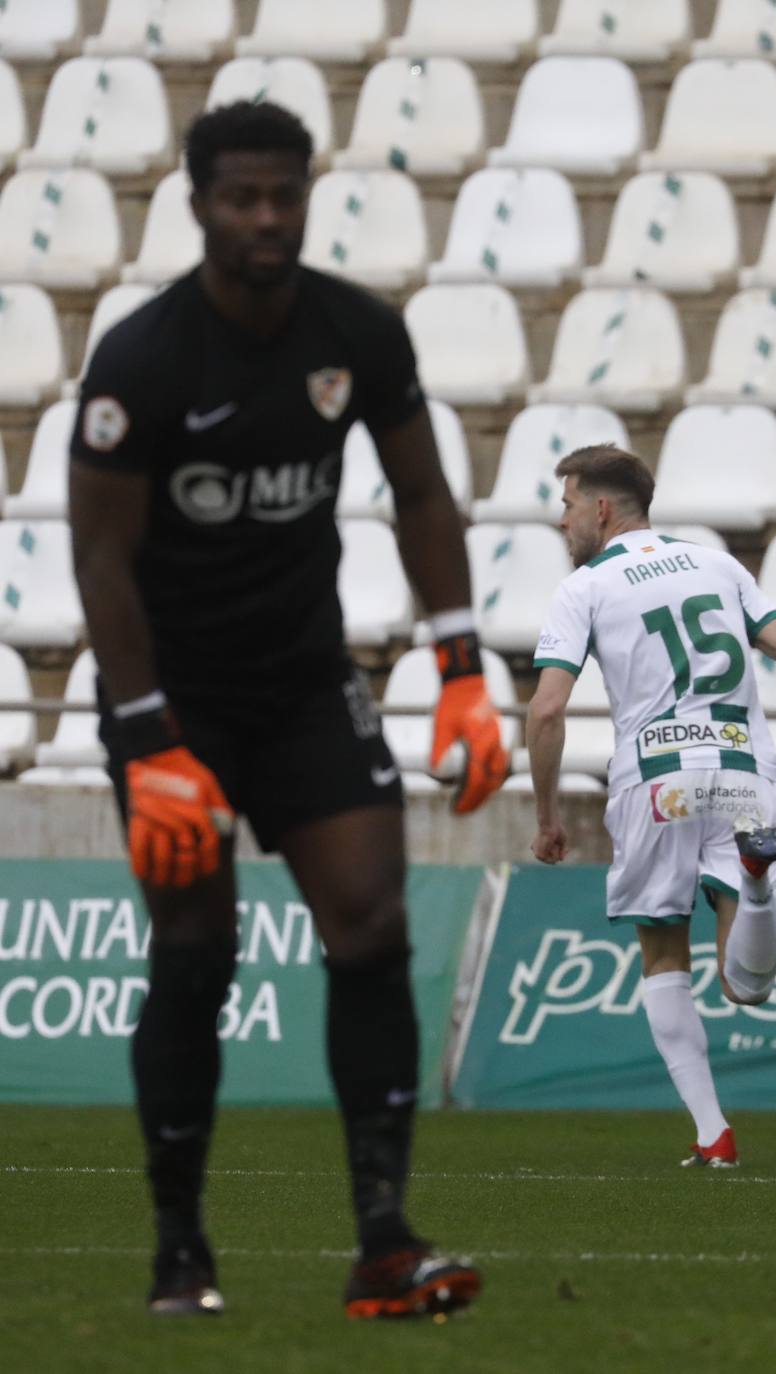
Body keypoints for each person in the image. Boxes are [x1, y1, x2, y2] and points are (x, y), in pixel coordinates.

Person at [68, 100, 507, 1318]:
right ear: (199, 204)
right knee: (196, 953)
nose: (266, 218)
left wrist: (461, 666)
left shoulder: (356, 332)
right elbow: (99, 560)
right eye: (242, 198)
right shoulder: (143, 359)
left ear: (308, 197)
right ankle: (180, 1252)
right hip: (173, 701)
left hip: (307, 682)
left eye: (285, 196)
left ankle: (383, 1244)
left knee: (371, 926)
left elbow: (422, 494)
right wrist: (148, 738)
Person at [526, 444, 776, 1166]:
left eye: (567, 506)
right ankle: (754, 881)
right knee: (747, 987)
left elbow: (546, 710)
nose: (562, 522)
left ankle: (712, 1131)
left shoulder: (585, 587)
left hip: (655, 783)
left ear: (601, 509)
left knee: (663, 955)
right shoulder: (719, 566)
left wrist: (547, 817)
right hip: (746, 774)